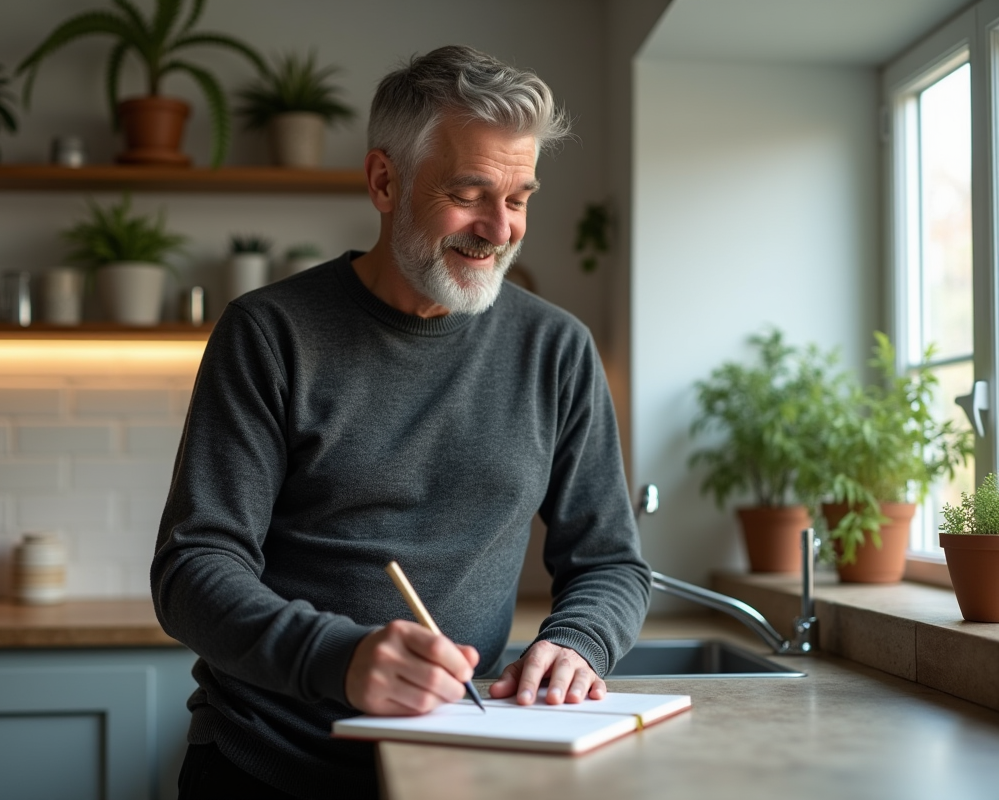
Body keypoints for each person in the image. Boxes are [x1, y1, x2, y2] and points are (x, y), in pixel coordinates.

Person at [152, 44, 651, 800]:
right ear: (384, 181)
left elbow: (611, 563)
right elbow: (192, 571)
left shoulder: (557, 350)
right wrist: (339, 657)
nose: (498, 228)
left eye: (518, 199)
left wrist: (578, 643)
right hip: (265, 766)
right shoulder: (269, 332)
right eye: (469, 193)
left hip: (453, 765)